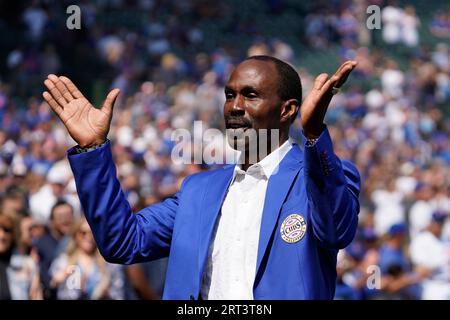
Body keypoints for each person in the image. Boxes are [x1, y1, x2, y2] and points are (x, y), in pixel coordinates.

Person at [42, 55, 360, 299]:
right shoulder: (199, 189)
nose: (234, 106)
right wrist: (93, 149)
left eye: (250, 95)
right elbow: (123, 242)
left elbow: (336, 231)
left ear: (287, 110)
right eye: (229, 94)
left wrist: (315, 133)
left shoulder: (320, 178)